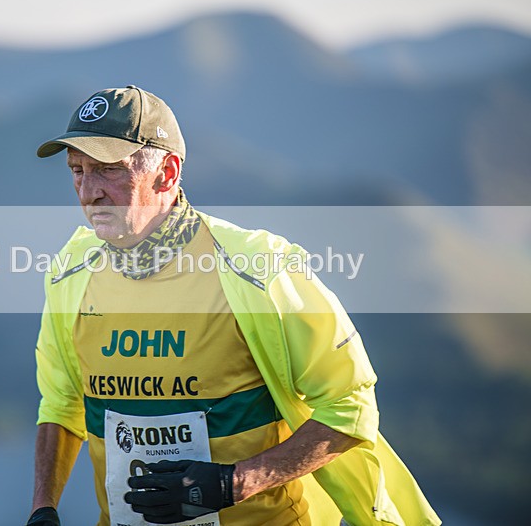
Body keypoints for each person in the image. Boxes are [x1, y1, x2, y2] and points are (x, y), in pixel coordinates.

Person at [27, 86, 440, 526]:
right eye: (77, 170)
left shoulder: (259, 268)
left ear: (166, 173)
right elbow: (62, 402)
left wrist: (234, 483)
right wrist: (43, 509)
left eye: (107, 170)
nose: (88, 192)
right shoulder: (71, 270)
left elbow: (350, 405)